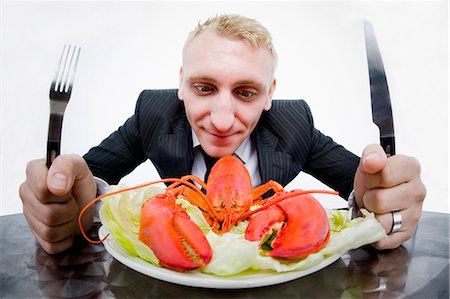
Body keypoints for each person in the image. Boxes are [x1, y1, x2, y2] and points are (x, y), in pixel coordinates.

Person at [19, 14, 426, 254]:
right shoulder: (155, 114)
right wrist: (68, 202)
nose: (222, 119)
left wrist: (382, 206)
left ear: (270, 95)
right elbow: (86, 185)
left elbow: (367, 192)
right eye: (204, 88)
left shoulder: (294, 124)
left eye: (247, 92)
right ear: (180, 84)